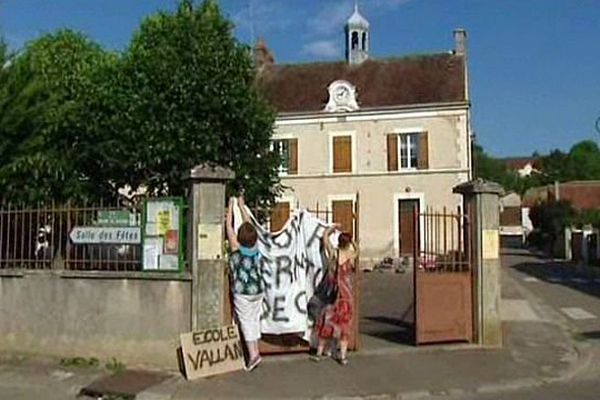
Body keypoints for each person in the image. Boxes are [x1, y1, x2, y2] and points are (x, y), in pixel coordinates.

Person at [226, 196, 263, 371]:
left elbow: (229, 229)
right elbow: (251, 228)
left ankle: (253, 355)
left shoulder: (236, 248)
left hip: (242, 290)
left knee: (246, 322)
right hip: (257, 289)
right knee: (254, 320)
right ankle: (255, 351)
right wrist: (242, 207)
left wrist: (230, 208)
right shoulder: (255, 247)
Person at [311, 224, 358, 365]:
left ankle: (320, 352)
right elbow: (356, 249)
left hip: (333, 294)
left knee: (327, 321)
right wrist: (352, 240)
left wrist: (332, 228)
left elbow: (325, 237)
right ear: (348, 243)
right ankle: (342, 356)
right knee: (344, 326)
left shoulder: (334, 253)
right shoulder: (351, 255)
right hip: (346, 295)